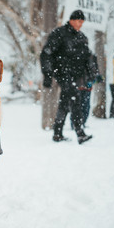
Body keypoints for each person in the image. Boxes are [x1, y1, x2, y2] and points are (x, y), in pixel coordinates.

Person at [40, 10, 93, 144]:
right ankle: (80, 133)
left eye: (82, 22)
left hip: (76, 75)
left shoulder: (81, 37)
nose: (81, 25)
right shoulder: (59, 34)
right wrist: (47, 74)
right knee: (75, 99)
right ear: (72, 20)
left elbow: (87, 57)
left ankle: (57, 133)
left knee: (65, 103)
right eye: (79, 21)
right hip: (62, 72)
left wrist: (92, 74)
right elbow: (46, 53)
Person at [70, 53, 103, 128]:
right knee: (79, 105)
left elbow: (94, 69)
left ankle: (81, 122)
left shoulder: (91, 56)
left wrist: (97, 77)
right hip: (79, 84)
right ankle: (76, 123)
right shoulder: (77, 55)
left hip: (86, 84)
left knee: (84, 105)